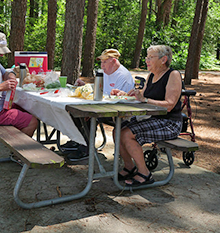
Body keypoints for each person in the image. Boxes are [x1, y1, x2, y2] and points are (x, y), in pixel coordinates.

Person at [111, 45, 182, 186]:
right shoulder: (151, 76)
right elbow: (142, 96)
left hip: (169, 123)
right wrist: (126, 94)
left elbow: (170, 104)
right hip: (152, 119)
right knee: (117, 131)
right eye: (146, 57)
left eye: (150, 58)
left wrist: (145, 100)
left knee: (126, 134)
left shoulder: (173, 75)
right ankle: (129, 167)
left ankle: (145, 174)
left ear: (163, 60)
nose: (147, 60)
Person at [63, 49, 134, 161]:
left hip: (118, 111)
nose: (102, 65)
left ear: (114, 61)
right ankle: (78, 141)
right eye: (101, 62)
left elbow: (117, 100)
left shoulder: (123, 76)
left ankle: (86, 149)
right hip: (104, 106)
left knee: (87, 116)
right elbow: (101, 90)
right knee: (74, 111)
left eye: (104, 62)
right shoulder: (105, 72)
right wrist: (86, 85)